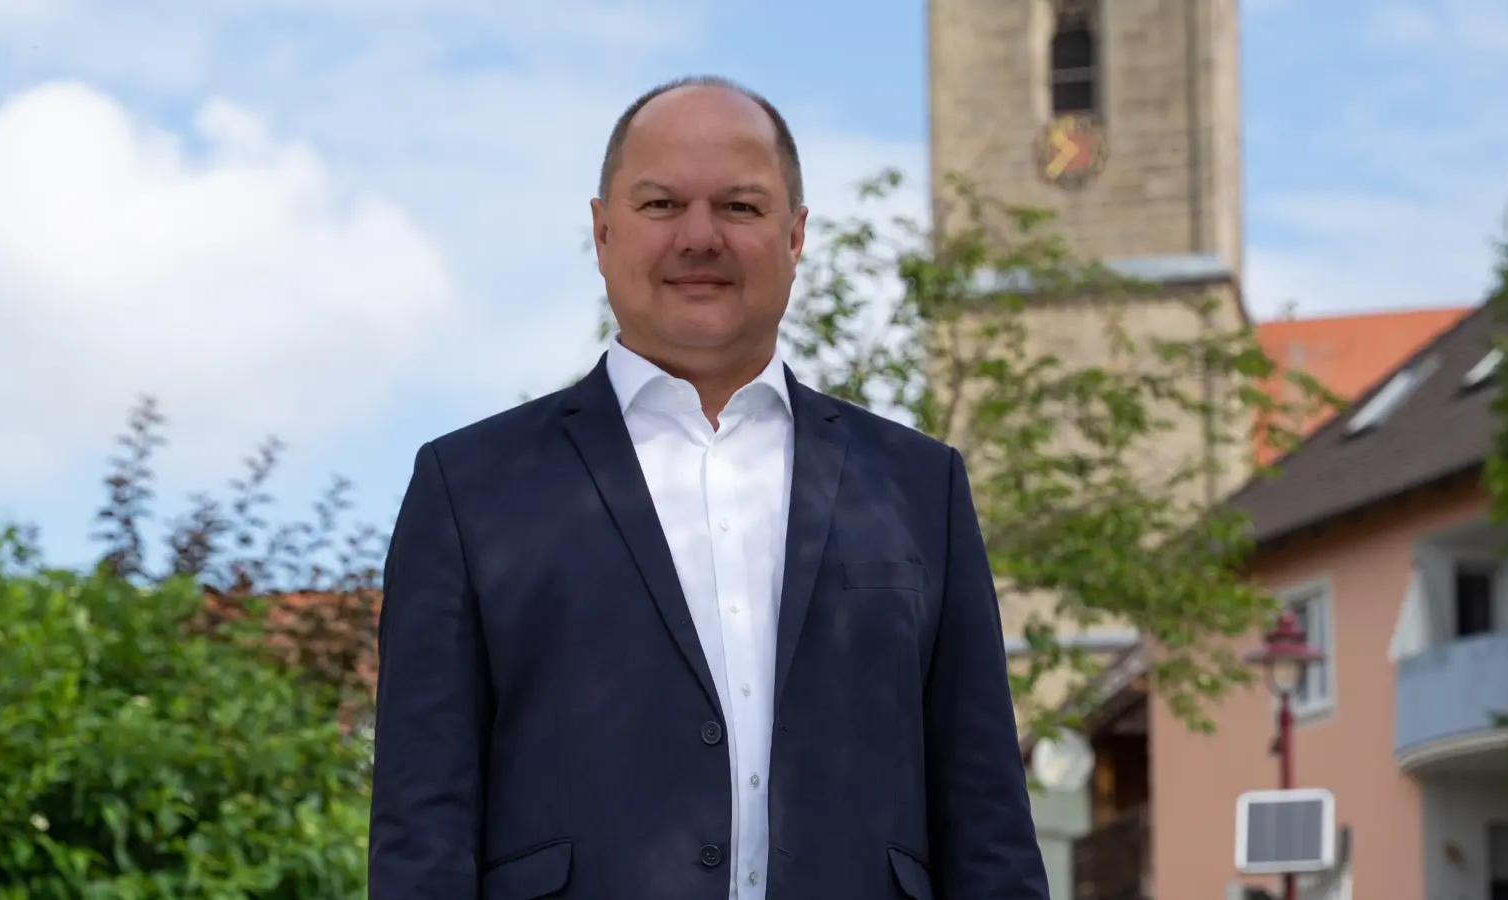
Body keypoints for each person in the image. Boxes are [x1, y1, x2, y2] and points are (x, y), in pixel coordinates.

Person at [367, 75, 1049, 900]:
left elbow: (988, 824)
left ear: (796, 236)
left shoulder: (918, 486)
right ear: (602, 230)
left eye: (740, 207)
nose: (700, 237)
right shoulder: (467, 489)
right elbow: (421, 831)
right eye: (661, 206)